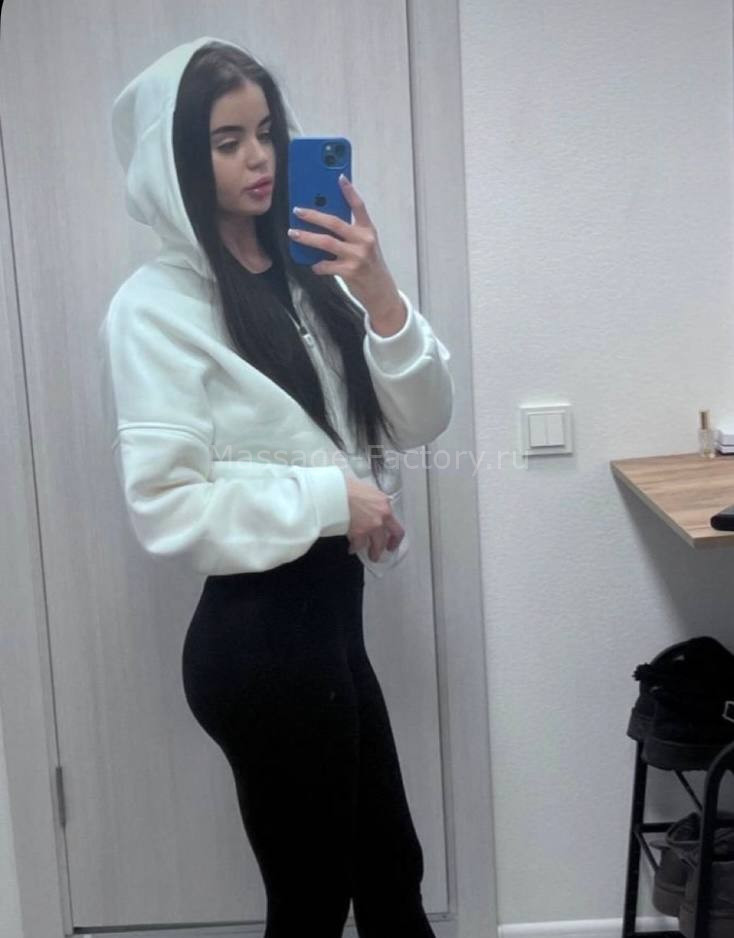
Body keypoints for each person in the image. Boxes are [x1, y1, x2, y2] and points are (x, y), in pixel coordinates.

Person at [98, 35, 454, 938]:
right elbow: (169, 506)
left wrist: (381, 297)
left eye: (267, 132)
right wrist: (337, 503)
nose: (259, 158)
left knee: (390, 874)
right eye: (228, 141)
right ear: (180, 159)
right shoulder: (154, 310)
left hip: (327, 632)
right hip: (258, 644)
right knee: (311, 903)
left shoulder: (309, 272)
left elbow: (420, 419)